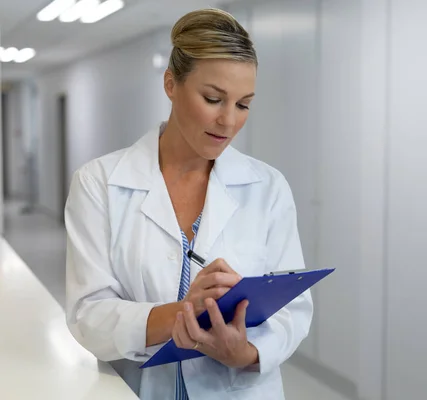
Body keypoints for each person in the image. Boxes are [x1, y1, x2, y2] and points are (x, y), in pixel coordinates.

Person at [64, 8, 313, 400]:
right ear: (170, 84)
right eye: (213, 98)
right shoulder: (99, 183)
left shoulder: (268, 188)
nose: (228, 121)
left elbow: (293, 312)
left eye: (243, 104)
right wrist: (181, 314)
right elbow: (88, 315)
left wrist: (243, 352)